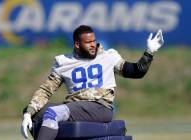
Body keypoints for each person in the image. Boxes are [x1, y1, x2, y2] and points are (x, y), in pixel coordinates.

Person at [21, 25, 164, 140]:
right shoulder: (65, 63)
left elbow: (136, 72)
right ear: (77, 44)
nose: (93, 45)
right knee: (34, 112)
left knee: (53, 113)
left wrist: (148, 53)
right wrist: (28, 113)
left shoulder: (108, 57)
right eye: (88, 42)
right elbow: (46, 90)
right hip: (76, 107)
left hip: (101, 107)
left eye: (93, 41)